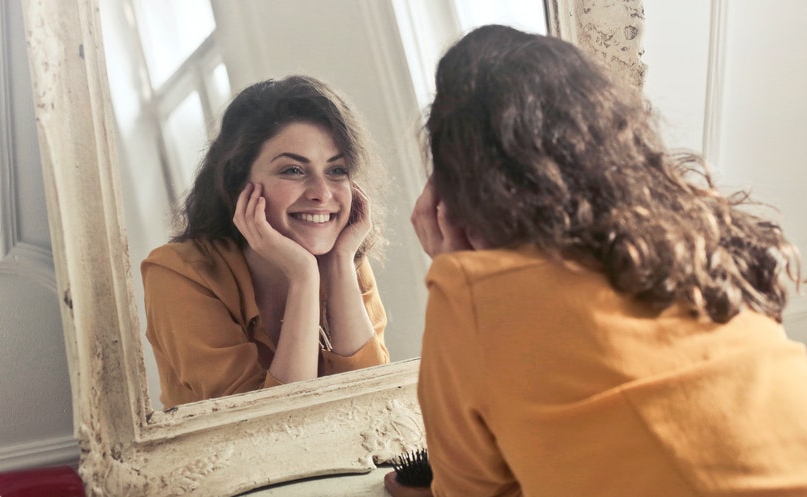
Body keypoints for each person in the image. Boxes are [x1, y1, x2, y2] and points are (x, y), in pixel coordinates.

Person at [393, 25, 807, 497]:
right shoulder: (701, 238)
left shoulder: (474, 294)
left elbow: (469, 493)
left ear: (454, 198)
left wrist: (452, 267)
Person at [142, 75, 390, 409]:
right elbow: (264, 427)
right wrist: (303, 277)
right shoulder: (178, 273)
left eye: (337, 170)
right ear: (237, 184)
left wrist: (340, 265)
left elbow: (374, 404)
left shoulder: (344, 259)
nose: (321, 193)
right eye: (292, 170)